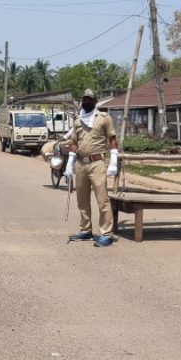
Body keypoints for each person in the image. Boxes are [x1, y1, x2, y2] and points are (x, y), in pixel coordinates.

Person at [63, 89, 120, 247]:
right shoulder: (78, 120)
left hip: (97, 163)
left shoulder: (104, 118)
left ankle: (106, 234)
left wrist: (113, 161)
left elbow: (112, 139)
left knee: (102, 200)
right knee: (82, 199)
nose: (87, 102)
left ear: (95, 102)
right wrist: (69, 164)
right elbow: (75, 143)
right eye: (84, 100)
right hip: (81, 164)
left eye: (90, 100)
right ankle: (86, 230)